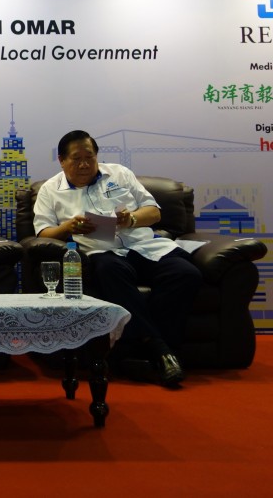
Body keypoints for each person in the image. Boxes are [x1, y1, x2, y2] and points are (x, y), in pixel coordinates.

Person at [33, 129, 202, 388]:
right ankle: (162, 353)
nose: (84, 164)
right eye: (76, 159)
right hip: (103, 253)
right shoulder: (50, 190)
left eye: (89, 157)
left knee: (187, 274)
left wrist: (131, 219)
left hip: (144, 247)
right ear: (61, 160)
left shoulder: (120, 174)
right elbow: (43, 231)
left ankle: (144, 349)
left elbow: (153, 212)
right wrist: (69, 227)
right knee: (108, 270)